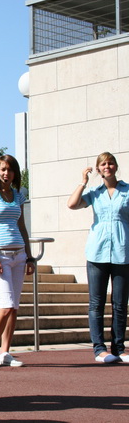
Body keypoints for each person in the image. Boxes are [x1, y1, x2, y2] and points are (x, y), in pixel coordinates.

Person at [67, 151, 129, 364]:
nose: (107, 167)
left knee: (120, 304)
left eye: (110, 163)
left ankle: (119, 348)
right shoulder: (94, 192)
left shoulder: (127, 191)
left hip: (123, 252)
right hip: (97, 252)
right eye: (103, 164)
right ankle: (99, 349)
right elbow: (72, 204)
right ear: (98, 168)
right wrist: (82, 182)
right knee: (96, 303)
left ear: (115, 166)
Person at [0, 154, 34, 369]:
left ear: (15, 173)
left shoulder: (18, 195)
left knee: (14, 308)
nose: (6, 173)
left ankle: (6, 352)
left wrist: (29, 257)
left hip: (19, 255)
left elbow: (22, 227)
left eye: (10, 170)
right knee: (6, 305)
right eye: (3, 169)